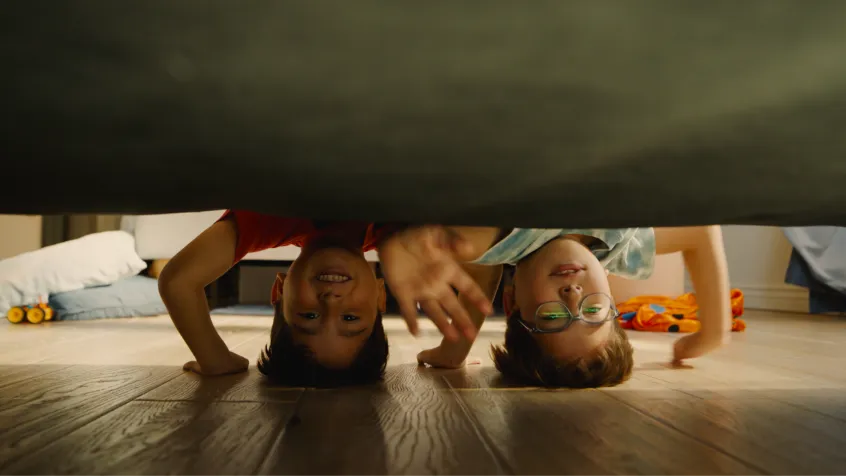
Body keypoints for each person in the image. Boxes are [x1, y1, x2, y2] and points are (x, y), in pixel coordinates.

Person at [158, 210, 490, 386]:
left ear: (279, 291)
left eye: (308, 317)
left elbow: (178, 282)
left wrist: (215, 358)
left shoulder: (271, 218)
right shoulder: (402, 232)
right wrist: (453, 349)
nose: (330, 301)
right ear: (378, 297)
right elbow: (489, 266)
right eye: (350, 319)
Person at [405, 225, 731, 388]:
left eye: (553, 316)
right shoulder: (622, 247)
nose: (573, 294)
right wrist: (714, 332)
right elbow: (702, 230)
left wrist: (455, 348)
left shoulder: (490, 240)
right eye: (593, 311)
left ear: (512, 300)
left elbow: (482, 265)